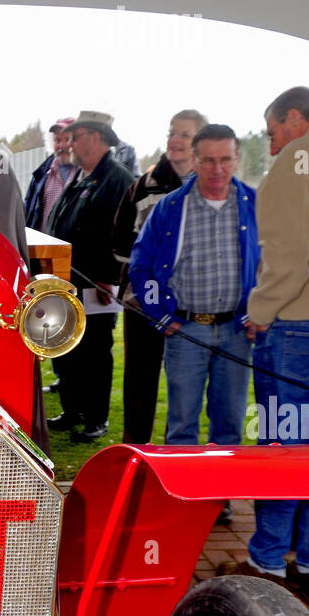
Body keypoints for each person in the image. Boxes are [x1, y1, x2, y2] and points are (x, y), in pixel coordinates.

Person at [129, 125, 259, 474]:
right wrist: (158, 313)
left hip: (235, 330)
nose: (218, 170)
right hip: (185, 331)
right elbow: (141, 266)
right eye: (209, 161)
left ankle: (221, 499)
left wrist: (258, 313)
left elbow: (273, 265)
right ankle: (183, 499)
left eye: (225, 160)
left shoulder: (255, 205)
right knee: (182, 422)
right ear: (195, 160)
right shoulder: (171, 208)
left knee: (229, 423)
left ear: (237, 159)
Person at [229, 86, 309, 595]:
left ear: (296, 119)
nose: (273, 145)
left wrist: (259, 312)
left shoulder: (294, 165)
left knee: (285, 442)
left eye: (273, 131)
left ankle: (265, 561)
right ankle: (307, 558)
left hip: (294, 328)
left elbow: (288, 255)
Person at [112, 109, 206, 443]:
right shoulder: (142, 186)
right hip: (142, 303)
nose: (175, 140)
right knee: (139, 380)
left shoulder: (211, 188)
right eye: (171, 132)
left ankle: (176, 455)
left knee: (184, 384)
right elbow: (121, 240)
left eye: (184, 134)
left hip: (191, 307)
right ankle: (135, 453)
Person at [46, 110, 135, 442]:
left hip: (97, 283)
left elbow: (124, 234)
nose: (70, 142)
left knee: (95, 353)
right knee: (68, 350)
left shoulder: (118, 178)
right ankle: (73, 411)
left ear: (97, 138)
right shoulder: (82, 175)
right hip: (67, 280)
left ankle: (95, 419)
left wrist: (109, 277)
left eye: (77, 136)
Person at [24, 117, 76, 231]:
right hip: (45, 248)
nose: (62, 145)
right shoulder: (42, 175)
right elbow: (29, 215)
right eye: (57, 140)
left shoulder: (87, 175)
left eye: (67, 139)